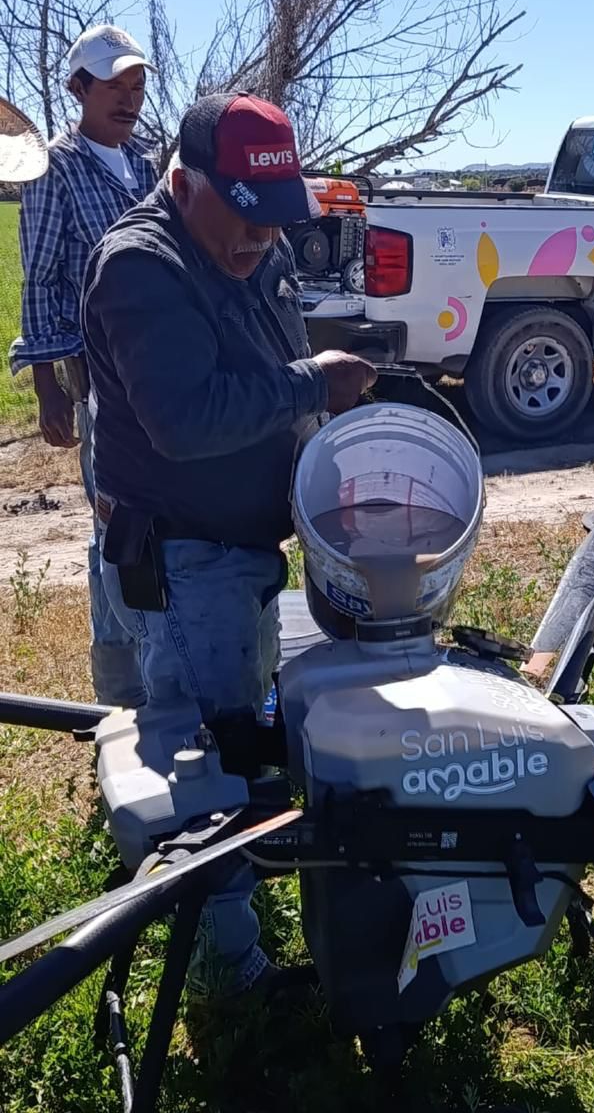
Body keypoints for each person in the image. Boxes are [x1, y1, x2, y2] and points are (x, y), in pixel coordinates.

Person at [81, 91, 376, 998]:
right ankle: (226, 971)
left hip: (236, 550)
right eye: (242, 218)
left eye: (273, 221)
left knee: (233, 732)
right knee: (213, 756)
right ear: (183, 179)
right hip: (184, 558)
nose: (258, 242)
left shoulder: (259, 242)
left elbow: (264, 348)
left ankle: (217, 906)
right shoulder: (141, 265)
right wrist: (309, 387)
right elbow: (182, 419)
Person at [8, 24, 159, 708]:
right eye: (113, 86)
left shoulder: (147, 165)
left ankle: (160, 672)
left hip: (157, 373)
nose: (128, 99)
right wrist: (49, 389)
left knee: (156, 518)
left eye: (136, 86)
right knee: (115, 529)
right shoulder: (56, 168)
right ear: (78, 89)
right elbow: (40, 281)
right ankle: (121, 693)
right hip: (98, 377)